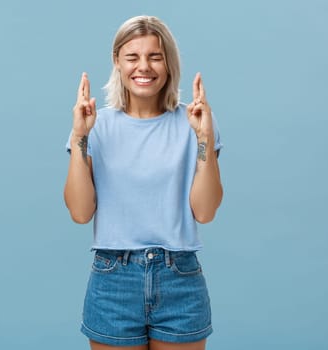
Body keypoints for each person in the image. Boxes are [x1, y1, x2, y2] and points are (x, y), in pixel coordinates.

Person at [64, 15, 222, 350]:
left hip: (179, 278)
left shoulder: (193, 123)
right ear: (117, 62)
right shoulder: (96, 125)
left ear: (168, 63)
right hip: (113, 279)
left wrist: (205, 138)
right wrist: (80, 136)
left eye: (155, 56)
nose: (144, 67)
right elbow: (80, 212)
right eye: (132, 57)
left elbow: (205, 212)